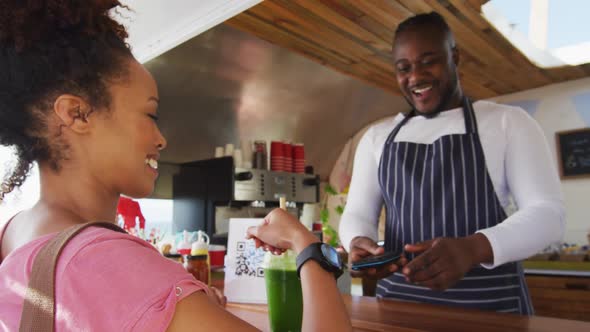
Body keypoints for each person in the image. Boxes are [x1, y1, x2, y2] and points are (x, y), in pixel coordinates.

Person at [0, 1, 351, 331]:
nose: (161, 138)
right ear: (77, 114)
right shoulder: (107, 260)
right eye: (150, 114)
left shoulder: (14, 231)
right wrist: (306, 246)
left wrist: (182, 304)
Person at [339, 12, 565, 315]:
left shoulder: (507, 123)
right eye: (404, 68)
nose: (416, 77)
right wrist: (359, 242)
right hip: (399, 311)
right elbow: (357, 213)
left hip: (491, 314)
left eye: (428, 61)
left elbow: (548, 215)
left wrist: (472, 249)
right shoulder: (377, 138)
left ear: (454, 57)